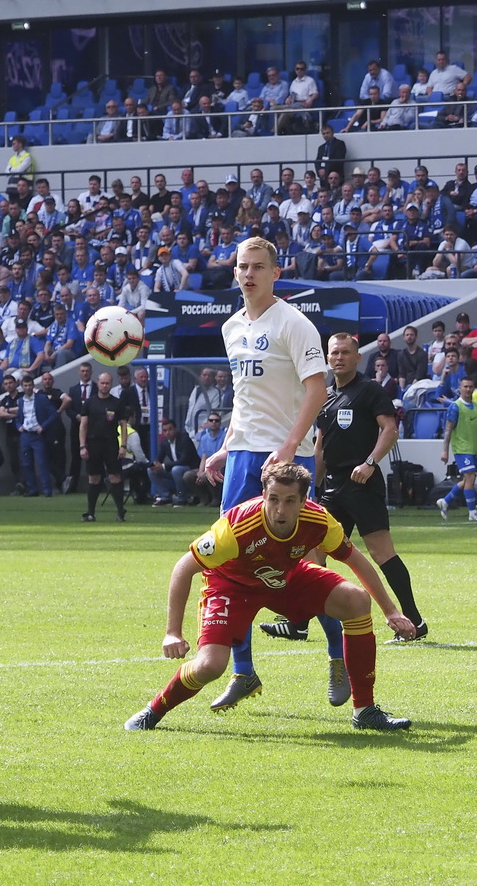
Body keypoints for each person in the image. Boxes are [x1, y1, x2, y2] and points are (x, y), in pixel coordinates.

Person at [124, 462, 414, 733]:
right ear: (263, 495)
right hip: (230, 586)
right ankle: (153, 710)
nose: (280, 509)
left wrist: (390, 611)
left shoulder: (320, 521)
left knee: (356, 600)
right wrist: (172, 633)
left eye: (289, 501)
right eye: (273, 499)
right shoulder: (236, 527)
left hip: (282, 578)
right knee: (210, 666)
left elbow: (356, 560)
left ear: (304, 501)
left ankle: (364, 711)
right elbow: (183, 568)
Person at [201, 236, 334, 709]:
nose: (249, 273)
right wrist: (224, 448)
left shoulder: (295, 323)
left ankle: (339, 658)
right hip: (242, 457)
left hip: (284, 459)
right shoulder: (231, 326)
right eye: (242, 266)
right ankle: (243, 672)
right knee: (232, 566)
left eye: (258, 266)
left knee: (304, 567)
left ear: (277, 272)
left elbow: (317, 390)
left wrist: (291, 446)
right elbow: (243, 397)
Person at [262, 335, 428, 655]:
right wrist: (311, 483)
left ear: (357, 358)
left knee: (382, 554)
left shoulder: (370, 390)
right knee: (312, 552)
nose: (339, 358)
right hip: (333, 489)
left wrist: (370, 463)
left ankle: (415, 622)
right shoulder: (324, 396)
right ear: (327, 358)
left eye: (345, 353)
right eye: (334, 353)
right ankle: (298, 623)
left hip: (363, 485)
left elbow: (390, 430)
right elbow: (321, 444)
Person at [437, 376, 477, 522]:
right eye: (465, 387)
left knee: (468, 480)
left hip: (473, 448)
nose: (467, 389)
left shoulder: (476, 407)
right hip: (461, 448)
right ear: (460, 388)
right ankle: (472, 512)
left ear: (474, 388)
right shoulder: (455, 407)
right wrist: (445, 450)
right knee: (470, 478)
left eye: (470, 387)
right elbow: (448, 430)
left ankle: (445, 501)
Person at [79, 370, 128, 522]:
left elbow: (124, 426)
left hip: (111, 443)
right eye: (102, 383)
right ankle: (91, 513)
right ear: (98, 383)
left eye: (107, 383)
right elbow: (83, 426)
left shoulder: (116, 403)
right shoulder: (89, 402)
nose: (104, 386)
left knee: (115, 476)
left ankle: (120, 512)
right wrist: (82, 446)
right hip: (93, 443)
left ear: (111, 384)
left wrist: (123, 445)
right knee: (94, 478)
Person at [15, 374, 56, 497]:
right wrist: (18, 426)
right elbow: (17, 417)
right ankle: (32, 489)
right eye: (25, 385)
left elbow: (54, 414)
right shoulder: (21, 401)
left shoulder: (41, 398)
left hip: (37, 435)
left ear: (33, 386)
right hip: (26, 434)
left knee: (42, 462)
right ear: (22, 387)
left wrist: (43, 426)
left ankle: (47, 490)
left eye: (29, 385)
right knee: (26, 463)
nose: (27, 388)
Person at [149, 418, 200, 506]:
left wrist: (163, 466)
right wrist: (154, 465)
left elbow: (184, 460)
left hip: (191, 468)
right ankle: (165, 497)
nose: (167, 433)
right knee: (150, 470)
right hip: (175, 469)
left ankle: (182, 499)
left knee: (176, 469)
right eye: (165, 430)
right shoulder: (164, 442)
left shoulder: (184, 439)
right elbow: (159, 459)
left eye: (170, 429)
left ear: (175, 429)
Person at [65, 361, 96, 493]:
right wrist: (77, 416)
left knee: (94, 457)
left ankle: (96, 485)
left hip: (93, 428)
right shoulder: (73, 389)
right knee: (76, 458)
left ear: (91, 372)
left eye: (87, 371)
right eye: (82, 371)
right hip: (76, 429)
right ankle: (73, 486)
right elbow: (69, 409)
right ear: (79, 372)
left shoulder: (96, 388)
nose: (85, 374)